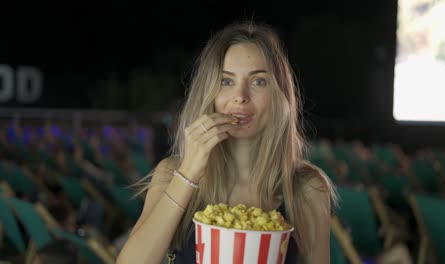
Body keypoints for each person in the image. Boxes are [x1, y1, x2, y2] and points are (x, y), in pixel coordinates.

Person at [117, 21, 336, 263]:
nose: (240, 97)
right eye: (226, 81)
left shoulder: (307, 188)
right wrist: (188, 173)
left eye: (258, 81)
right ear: (208, 93)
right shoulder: (171, 174)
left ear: (279, 97)